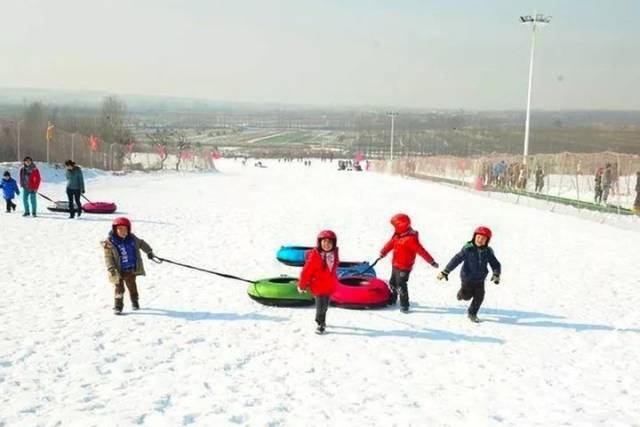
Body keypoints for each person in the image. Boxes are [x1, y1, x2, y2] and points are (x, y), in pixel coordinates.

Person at [437, 226, 501, 323]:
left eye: (483, 239)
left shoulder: (488, 252)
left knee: (480, 296)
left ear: (487, 241)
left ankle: (472, 313)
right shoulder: (468, 249)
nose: (480, 240)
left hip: (480, 279)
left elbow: (495, 263)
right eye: (478, 237)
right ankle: (461, 293)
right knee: (467, 296)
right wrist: (445, 271)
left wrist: (496, 274)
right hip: (467, 277)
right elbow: (456, 260)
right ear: (474, 237)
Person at [379, 213, 439, 313]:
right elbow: (390, 244)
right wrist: (383, 252)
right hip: (395, 264)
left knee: (401, 285)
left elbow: (421, 251)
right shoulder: (398, 236)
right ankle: (393, 299)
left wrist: (431, 261)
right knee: (392, 283)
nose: (394, 228)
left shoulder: (410, 239)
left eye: (395, 226)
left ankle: (404, 305)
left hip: (404, 267)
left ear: (400, 226)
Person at [102, 217, 155, 315]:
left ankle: (134, 301)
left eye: (125, 229)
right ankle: (118, 306)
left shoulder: (132, 239)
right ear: (115, 229)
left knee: (132, 286)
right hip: (117, 271)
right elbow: (108, 256)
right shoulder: (109, 243)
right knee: (119, 289)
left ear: (128, 229)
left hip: (130, 269)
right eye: (120, 229)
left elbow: (142, 243)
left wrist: (149, 251)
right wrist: (110, 267)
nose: (123, 231)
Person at [299, 230, 339, 334]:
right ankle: (320, 323)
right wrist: (302, 285)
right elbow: (306, 272)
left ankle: (322, 320)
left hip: (329, 286)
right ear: (319, 242)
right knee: (320, 307)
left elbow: (333, 269)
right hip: (318, 287)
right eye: (324, 242)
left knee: (325, 306)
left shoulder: (334, 255)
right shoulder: (315, 256)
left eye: (329, 242)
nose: (327, 245)